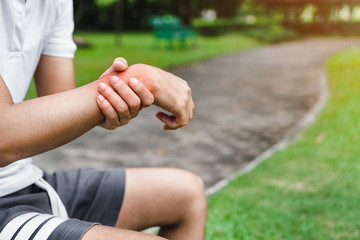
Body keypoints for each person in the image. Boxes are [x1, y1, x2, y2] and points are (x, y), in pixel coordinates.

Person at [0, 0, 207, 239]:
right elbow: (4, 137)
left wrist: (107, 101)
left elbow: (60, 103)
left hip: (24, 182)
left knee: (187, 193)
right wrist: (141, 79)